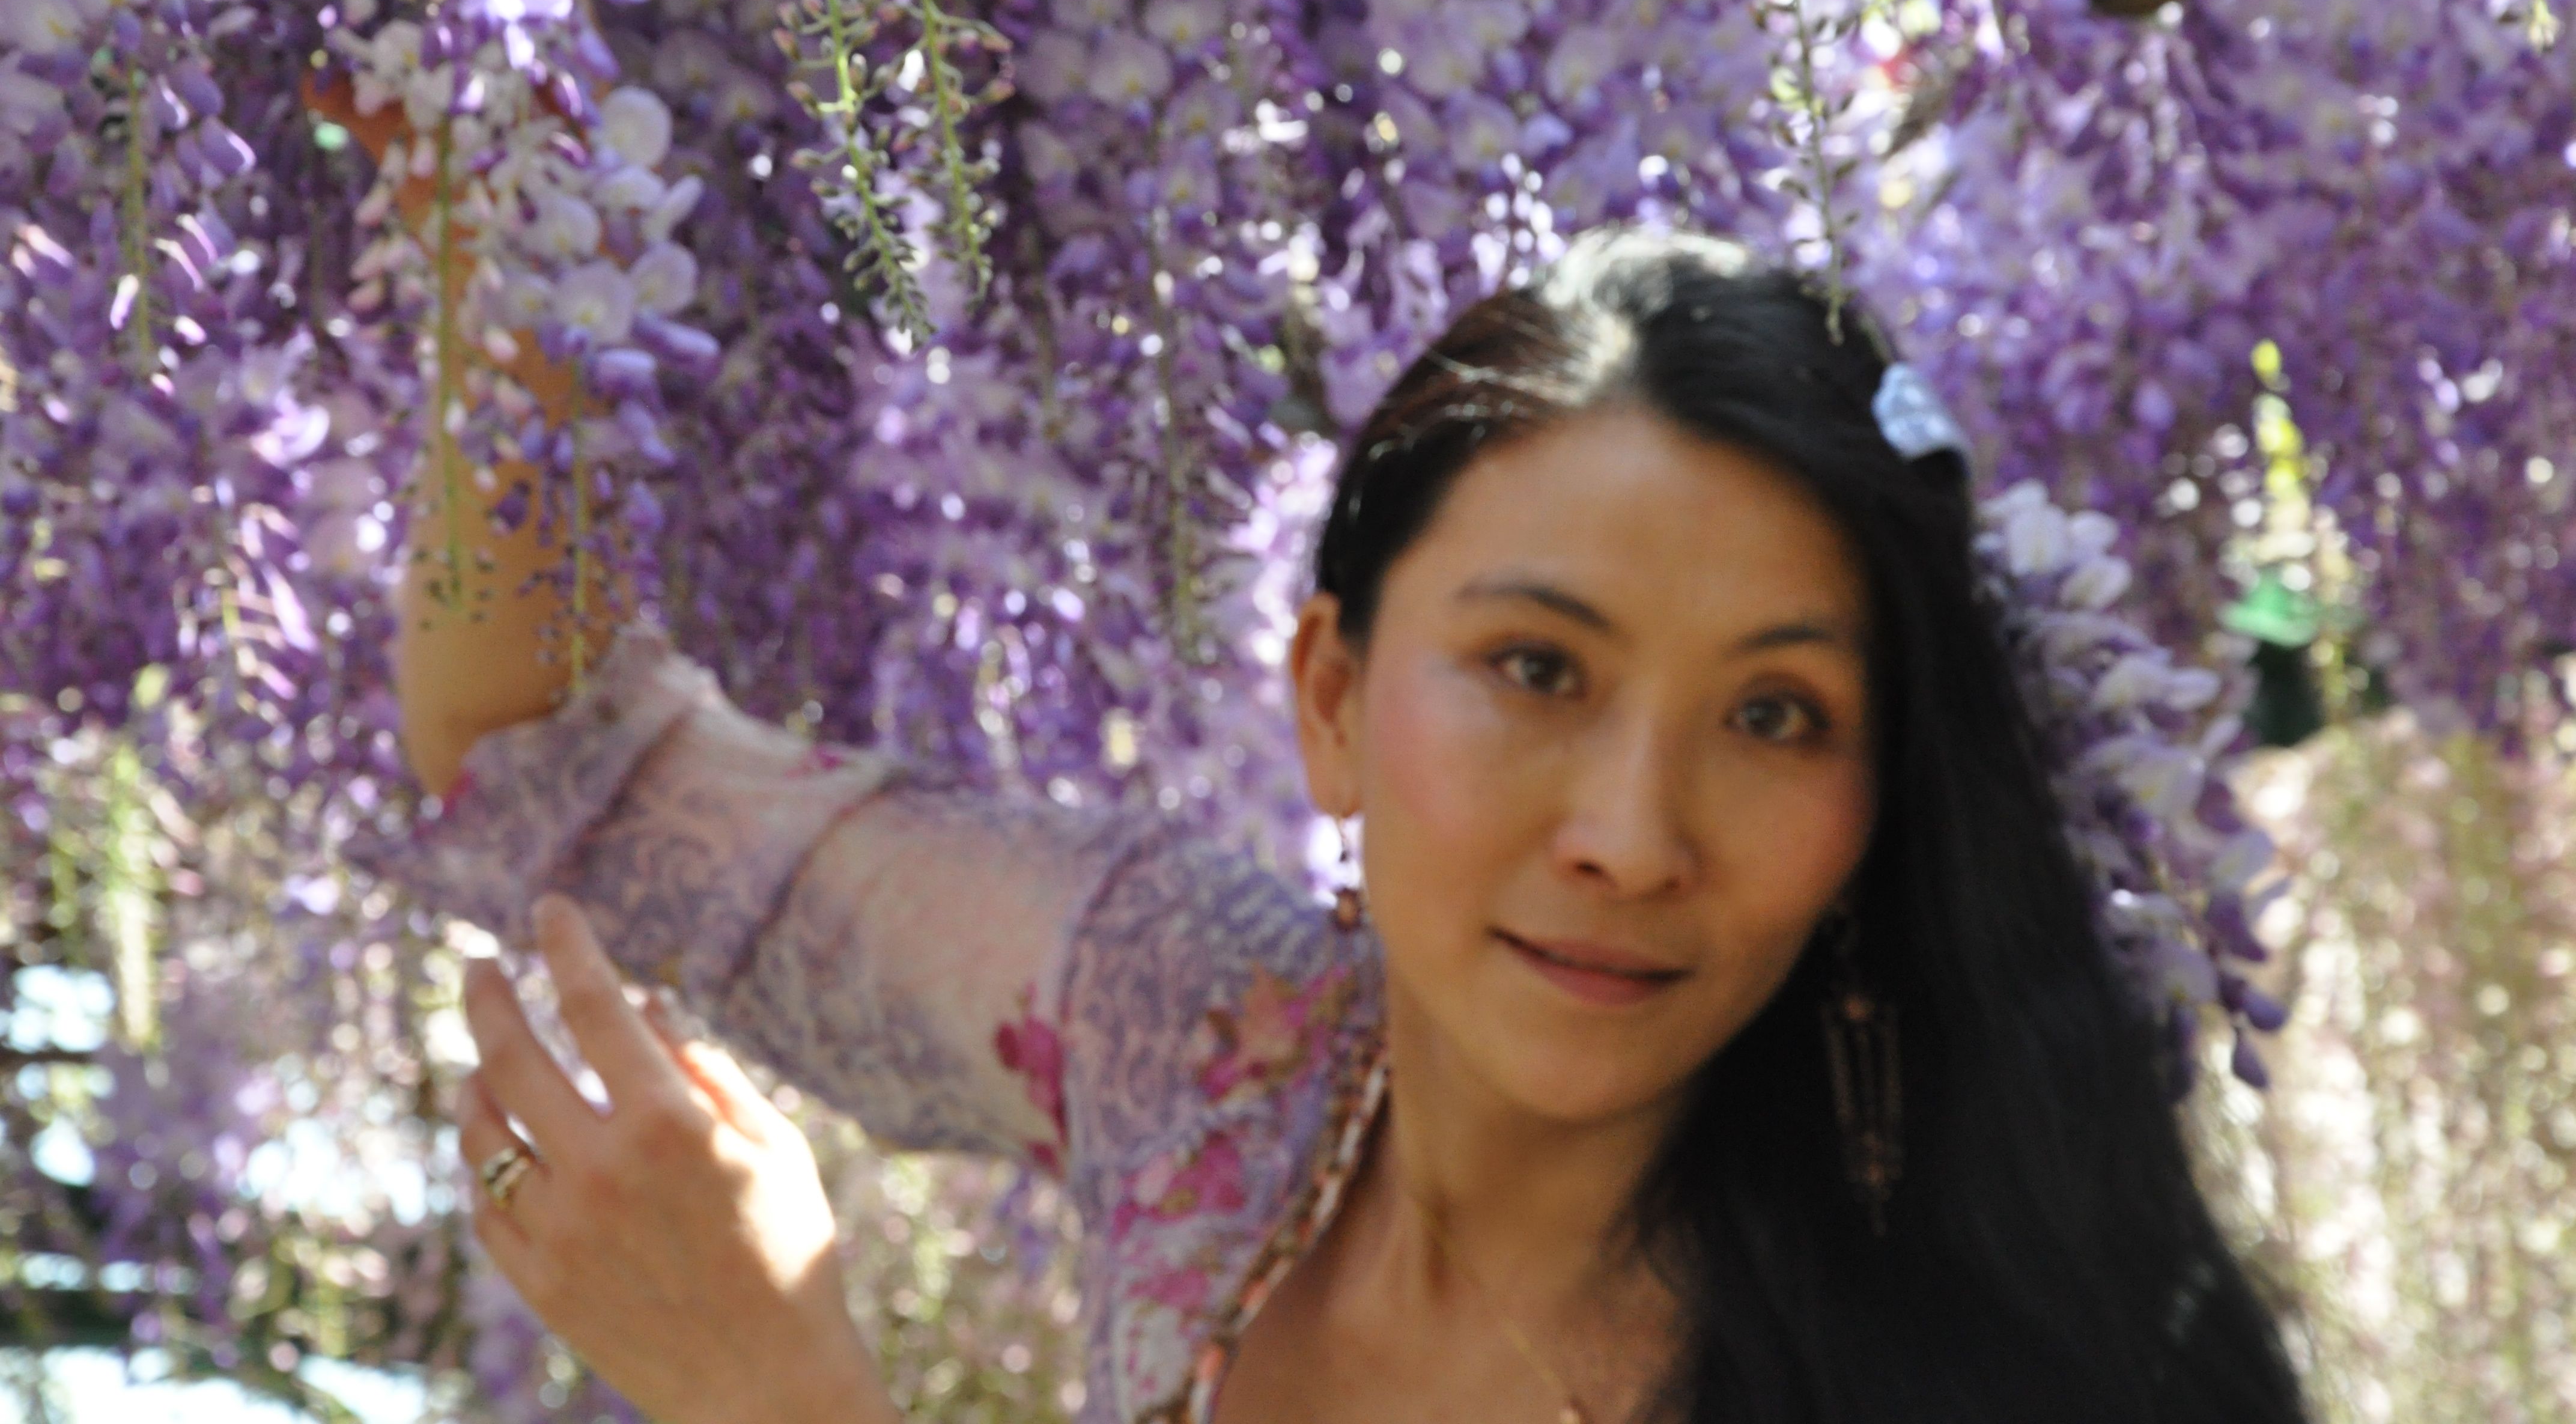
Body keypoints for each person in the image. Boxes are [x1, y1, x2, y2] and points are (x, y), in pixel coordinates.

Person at [380, 230, 2312, 1424]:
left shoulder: (1971, 1371)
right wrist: (504, 169)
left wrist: (778, 1399)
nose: (1635, 839)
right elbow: (556, 761)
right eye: (1538, 669)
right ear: (1329, 698)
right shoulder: (1207, 1045)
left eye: (1775, 715)